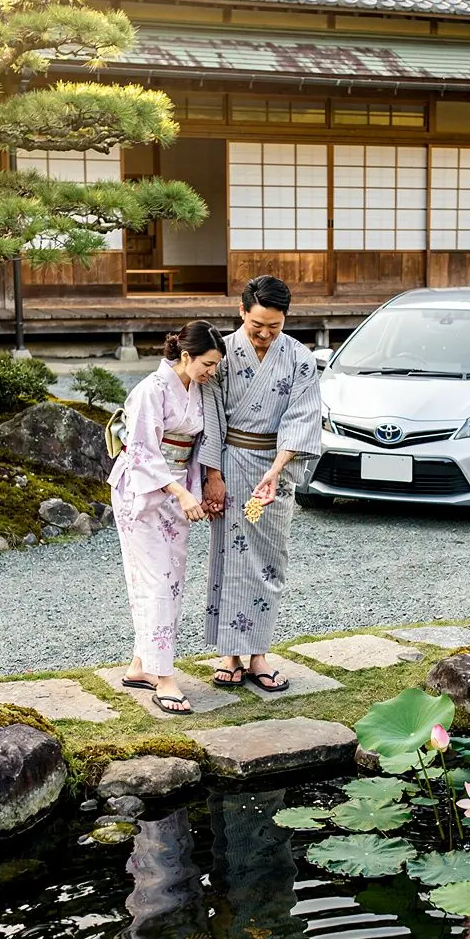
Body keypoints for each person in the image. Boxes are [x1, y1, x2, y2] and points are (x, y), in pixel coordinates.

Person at [199, 275, 322, 692]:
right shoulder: (224, 356)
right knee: (229, 558)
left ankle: (258, 655)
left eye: (275, 326)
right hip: (231, 463)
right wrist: (212, 475)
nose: (266, 334)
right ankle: (229, 654)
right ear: (241, 313)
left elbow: (302, 419)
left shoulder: (301, 360)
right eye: (257, 326)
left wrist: (276, 469)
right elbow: (211, 417)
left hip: (276, 467)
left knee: (270, 560)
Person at [109, 322, 226, 714]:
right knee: (155, 580)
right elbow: (140, 450)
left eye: (216, 366)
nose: (212, 372)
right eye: (208, 364)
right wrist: (180, 492)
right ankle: (164, 678)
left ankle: (141, 664)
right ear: (187, 356)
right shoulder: (150, 391)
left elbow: (194, 446)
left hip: (178, 489)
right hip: (141, 494)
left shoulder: (198, 389)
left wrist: (197, 491)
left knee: (171, 580)